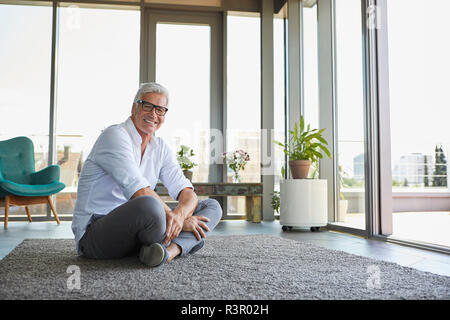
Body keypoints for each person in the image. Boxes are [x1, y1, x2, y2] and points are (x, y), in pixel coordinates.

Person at [71, 82, 222, 267]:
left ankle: (168, 252)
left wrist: (180, 216)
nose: (153, 114)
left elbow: (186, 191)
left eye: (160, 110)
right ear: (134, 107)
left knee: (211, 206)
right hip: (96, 234)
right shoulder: (115, 136)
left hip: (141, 232)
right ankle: (184, 243)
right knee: (149, 205)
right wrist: (181, 223)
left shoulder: (160, 148)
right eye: (147, 106)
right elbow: (139, 192)